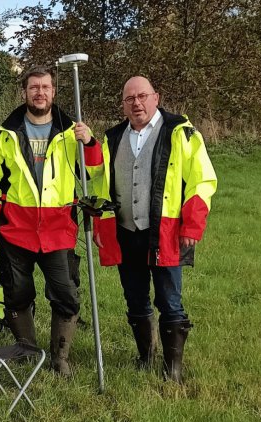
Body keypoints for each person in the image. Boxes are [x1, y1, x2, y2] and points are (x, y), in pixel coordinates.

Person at [89, 76, 217, 384]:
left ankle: (173, 367)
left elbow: (202, 180)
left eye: (142, 96)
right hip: (125, 231)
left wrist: (193, 225)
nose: (136, 103)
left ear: (155, 98)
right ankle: (145, 355)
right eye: (129, 98)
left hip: (166, 232)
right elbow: (99, 184)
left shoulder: (180, 132)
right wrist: (99, 225)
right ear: (123, 104)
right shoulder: (114, 137)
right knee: (134, 298)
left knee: (169, 299)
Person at [0, 66, 105, 376]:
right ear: (25, 92)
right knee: (17, 295)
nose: (40, 92)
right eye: (34, 87)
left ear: (54, 92)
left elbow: (95, 174)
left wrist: (89, 144)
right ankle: (27, 349)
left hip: (58, 232)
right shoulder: (3, 135)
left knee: (66, 295)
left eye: (45, 87)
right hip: (16, 232)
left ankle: (59, 359)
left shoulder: (72, 133)